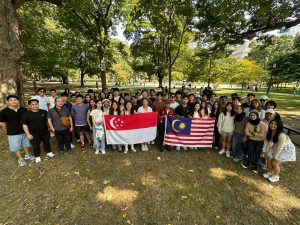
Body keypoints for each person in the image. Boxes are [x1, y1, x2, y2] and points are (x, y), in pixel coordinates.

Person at [0, 95, 35, 166]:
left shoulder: (23, 109)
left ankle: (27, 154)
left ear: (18, 101)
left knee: (25, 144)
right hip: (12, 132)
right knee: (16, 146)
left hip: (24, 131)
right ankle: (20, 158)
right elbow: (2, 122)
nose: (14, 101)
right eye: (11, 100)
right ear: (8, 101)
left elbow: (27, 120)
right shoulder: (4, 111)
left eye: (15, 100)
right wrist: (6, 131)